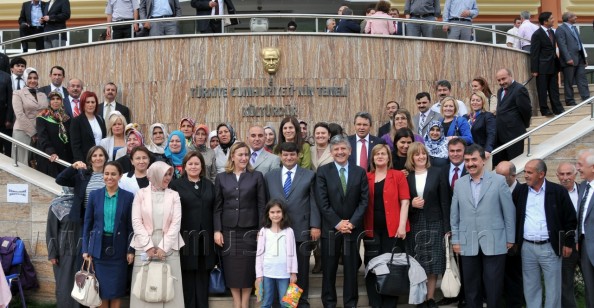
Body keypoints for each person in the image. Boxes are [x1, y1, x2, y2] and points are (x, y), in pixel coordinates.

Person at [450, 144, 515, 308]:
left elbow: (509, 211)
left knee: (493, 287)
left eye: (474, 159)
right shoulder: (459, 183)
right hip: (467, 241)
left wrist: (510, 238)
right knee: (471, 288)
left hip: (495, 240)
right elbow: (454, 215)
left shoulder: (499, 181)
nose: (470, 163)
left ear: (483, 161)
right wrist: (456, 240)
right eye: (467, 160)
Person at [512, 159, 576, 308]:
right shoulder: (520, 191)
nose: (525, 175)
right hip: (527, 247)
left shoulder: (558, 191)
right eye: (525, 172)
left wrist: (568, 242)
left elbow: (570, 219)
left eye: (529, 172)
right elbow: (513, 217)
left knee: (553, 288)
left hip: (550, 247)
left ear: (541, 174)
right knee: (530, 287)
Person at [51, 145, 108, 308]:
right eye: (94, 155)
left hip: (104, 224)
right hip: (85, 223)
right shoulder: (83, 175)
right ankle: (83, 301)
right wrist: (73, 167)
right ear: (90, 159)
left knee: (100, 264)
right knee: (83, 263)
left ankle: (98, 301)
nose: (98, 158)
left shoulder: (109, 174)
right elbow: (60, 180)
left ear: (105, 158)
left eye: (101, 155)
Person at [264, 142, 319, 307]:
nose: (288, 157)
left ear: (299, 155)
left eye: (292, 154)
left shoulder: (309, 175)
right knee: (278, 267)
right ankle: (278, 302)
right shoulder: (270, 176)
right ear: (280, 156)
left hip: (301, 229)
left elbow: (314, 202)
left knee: (300, 269)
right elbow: (267, 203)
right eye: (285, 154)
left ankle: (298, 302)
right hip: (276, 231)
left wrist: (315, 225)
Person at [316, 134, 368, 308]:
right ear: (331, 152)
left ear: (350, 150)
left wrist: (351, 223)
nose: (340, 152)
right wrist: (338, 223)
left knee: (351, 269)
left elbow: (364, 201)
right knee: (329, 270)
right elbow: (322, 202)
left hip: (352, 229)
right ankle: (329, 303)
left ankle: (350, 303)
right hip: (331, 229)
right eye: (336, 149)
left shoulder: (360, 172)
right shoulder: (323, 172)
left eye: (343, 149)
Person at [214, 142, 266, 308]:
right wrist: (217, 230)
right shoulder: (222, 177)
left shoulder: (256, 176)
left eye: (246, 155)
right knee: (232, 269)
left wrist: (261, 229)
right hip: (229, 230)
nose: (244, 158)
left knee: (248, 268)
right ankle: (237, 303)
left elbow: (261, 205)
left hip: (249, 230)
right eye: (240, 155)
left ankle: (245, 303)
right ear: (233, 157)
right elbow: (217, 207)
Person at [130, 161, 185, 307]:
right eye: (164, 174)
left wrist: (163, 247)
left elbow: (176, 223)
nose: (167, 178)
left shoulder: (174, 195)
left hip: (169, 244)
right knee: (145, 282)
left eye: (169, 174)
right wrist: (148, 246)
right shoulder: (140, 194)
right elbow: (136, 221)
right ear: (155, 174)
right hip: (143, 244)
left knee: (168, 284)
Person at [82, 161, 135, 308]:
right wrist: (86, 249)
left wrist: (130, 249)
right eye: (106, 173)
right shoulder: (94, 195)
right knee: (101, 291)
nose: (109, 177)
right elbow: (87, 224)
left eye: (113, 174)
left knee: (117, 291)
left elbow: (131, 227)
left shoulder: (128, 197)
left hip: (119, 250)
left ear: (120, 176)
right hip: (98, 249)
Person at [363, 144, 409, 308]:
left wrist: (402, 225)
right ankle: (375, 303)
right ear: (372, 158)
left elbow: (405, 201)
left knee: (392, 266)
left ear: (389, 157)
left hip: (394, 230)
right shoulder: (366, 177)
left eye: (383, 154)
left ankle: (389, 304)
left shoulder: (397, 176)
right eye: (377, 154)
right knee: (372, 266)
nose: (380, 156)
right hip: (371, 230)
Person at [169, 151, 216, 308]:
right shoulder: (175, 185)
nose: (194, 166)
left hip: (206, 238)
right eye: (190, 164)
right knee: (187, 276)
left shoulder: (209, 185)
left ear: (202, 166)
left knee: (203, 276)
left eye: (197, 164)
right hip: (185, 237)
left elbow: (215, 209)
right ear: (184, 166)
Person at [405, 142, 449, 307]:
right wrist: (411, 204)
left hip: (434, 222)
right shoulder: (406, 176)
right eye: (417, 154)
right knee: (419, 262)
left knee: (434, 261)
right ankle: (420, 298)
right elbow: (400, 203)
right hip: (415, 222)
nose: (421, 157)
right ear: (412, 157)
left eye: (424, 153)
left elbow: (444, 201)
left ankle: (430, 298)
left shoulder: (437, 173)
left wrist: (447, 228)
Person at [255, 200, 298, 308]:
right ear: (268, 214)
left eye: (278, 212)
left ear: (283, 213)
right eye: (272, 212)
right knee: (265, 303)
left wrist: (293, 273)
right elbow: (259, 254)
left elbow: (293, 253)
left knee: (286, 304)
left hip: (284, 273)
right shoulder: (263, 231)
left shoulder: (289, 231)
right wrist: (259, 275)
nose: (275, 215)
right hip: (267, 273)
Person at [495, 160, 524, 308]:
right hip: (496, 242)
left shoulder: (523, 191)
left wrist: (515, 242)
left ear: (514, 175)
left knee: (514, 277)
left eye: (503, 176)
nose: (498, 179)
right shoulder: (493, 190)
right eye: (497, 175)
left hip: (516, 245)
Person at [493, 68, 532, 166]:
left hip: (514, 135)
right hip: (501, 135)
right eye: (499, 80)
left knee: (514, 164)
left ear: (510, 76)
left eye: (503, 79)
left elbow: (526, 110)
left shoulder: (519, 89)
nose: (501, 82)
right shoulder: (500, 91)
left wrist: (523, 125)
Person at [556, 162, 581, 308]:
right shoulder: (553, 193)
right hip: (566, 247)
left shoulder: (585, 189)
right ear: (557, 175)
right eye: (562, 174)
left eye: (568, 174)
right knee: (566, 285)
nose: (565, 178)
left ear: (575, 174)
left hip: (586, 245)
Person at [12, 68, 48, 166]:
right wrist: (33, 133)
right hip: (23, 131)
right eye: (30, 78)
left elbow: (46, 112)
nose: (33, 80)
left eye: (35, 78)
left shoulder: (43, 95)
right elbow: (19, 114)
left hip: (40, 132)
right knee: (21, 162)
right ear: (25, 78)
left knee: (38, 163)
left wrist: (41, 131)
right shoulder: (17, 93)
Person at [531, 12, 564, 116]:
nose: (553, 19)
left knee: (554, 89)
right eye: (551, 18)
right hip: (542, 67)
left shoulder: (552, 32)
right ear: (545, 21)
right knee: (542, 89)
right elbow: (535, 52)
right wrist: (534, 69)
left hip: (553, 65)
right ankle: (544, 110)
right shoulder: (537, 34)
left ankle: (557, 108)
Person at [556, 11, 590, 107]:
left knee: (582, 79)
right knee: (569, 81)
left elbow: (579, 44)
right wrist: (568, 58)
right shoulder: (560, 29)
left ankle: (586, 98)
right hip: (569, 60)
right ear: (569, 18)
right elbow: (562, 45)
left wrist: (584, 58)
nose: (576, 17)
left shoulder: (574, 28)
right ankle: (570, 101)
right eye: (574, 16)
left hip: (579, 58)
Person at [36, 91, 72, 177]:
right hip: (49, 155)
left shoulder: (66, 117)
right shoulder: (42, 116)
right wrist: (51, 152)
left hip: (64, 155)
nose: (55, 101)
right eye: (52, 99)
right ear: (49, 101)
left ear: (61, 101)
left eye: (58, 99)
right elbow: (42, 137)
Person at [575, 149, 594, 308]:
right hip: (584, 246)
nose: (578, 168)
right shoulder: (583, 186)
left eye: (580, 165)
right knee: (590, 289)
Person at [70, 91, 106, 162]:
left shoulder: (100, 119)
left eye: (93, 102)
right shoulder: (77, 121)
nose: (90, 105)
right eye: (87, 102)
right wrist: (81, 162)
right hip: (85, 161)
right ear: (83, 104)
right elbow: (75, 146)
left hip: (100, 159)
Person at [464, 91, 495, 159]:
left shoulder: (488, 116)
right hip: (466, 152)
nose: (475, 102)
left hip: (480, 152)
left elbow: (491, 134)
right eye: (473, 100)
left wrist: (488, 149)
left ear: (483, 102)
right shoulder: (465, 117)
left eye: (478, 100)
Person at [0, 63, 13, 156]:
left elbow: (10, 99)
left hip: (2, 117)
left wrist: (8, 119)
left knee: (6, 146)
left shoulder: (6, 77)